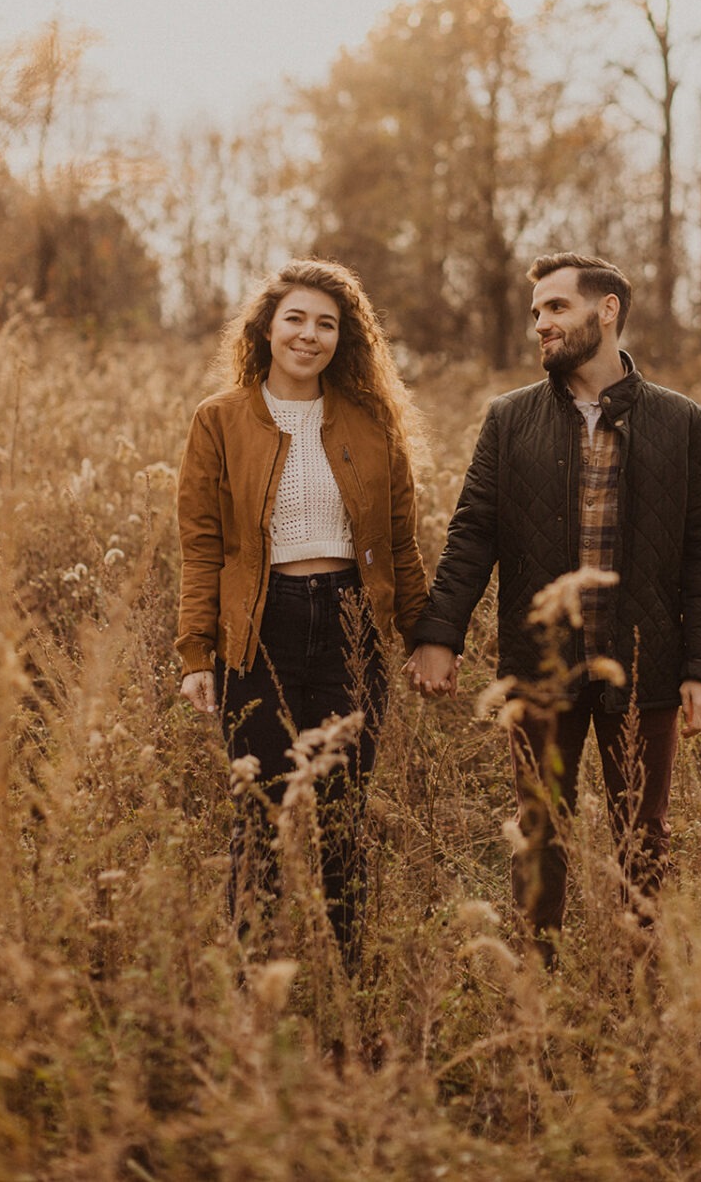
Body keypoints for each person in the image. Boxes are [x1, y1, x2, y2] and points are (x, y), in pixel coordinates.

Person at [406, 252, 701, 963]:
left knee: (644, 837)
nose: (541, 325)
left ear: (606, 309)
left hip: (644, 667)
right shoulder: (508, 418)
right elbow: (473, 533)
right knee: (539, 830)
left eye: (556, 308)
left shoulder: (681, 421)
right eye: (536, 314)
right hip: (542, 668)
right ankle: (534, 985)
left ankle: (641, 993)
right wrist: (440, 634)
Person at [176, 258, 429, 964]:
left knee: (343, 817)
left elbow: (400, 542)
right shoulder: (219, 421)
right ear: (266, 327)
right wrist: (198, 654)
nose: (308, 335)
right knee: (259, 814)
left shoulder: (370, 421)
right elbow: (201, 549)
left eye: (326, 324)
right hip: (261, 629)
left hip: (353, 625)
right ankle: (253, 986)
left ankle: (348, 982)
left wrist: (427, 635)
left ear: (344, 339)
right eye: (296, 318)